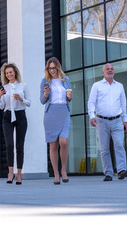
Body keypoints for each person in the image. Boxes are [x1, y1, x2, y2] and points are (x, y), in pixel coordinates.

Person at [88, 63, 127, 181]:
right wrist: (92, 116)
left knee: (119, 145)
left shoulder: (119, 86)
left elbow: (123, 104)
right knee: (104, 148)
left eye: (112, 69)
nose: (110, 70)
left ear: (114, 72)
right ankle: (108, 173)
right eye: (107, 69)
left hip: (117, 120)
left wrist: (125, 119)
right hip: (101, 120)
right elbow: (91, 102)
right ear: (103, 72)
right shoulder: (97, 86)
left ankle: (121, 170)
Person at [40, 57, 73, 185]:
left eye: (54, 67)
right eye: (50, 68)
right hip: (50, 113)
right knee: (53, 145)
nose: (52, 70)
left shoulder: (66, 79)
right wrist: (45, 94)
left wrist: (70, 97)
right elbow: (42, 101)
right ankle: (56, 174)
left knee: (63, 142)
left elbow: (69, 96)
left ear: (58, 67)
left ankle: (64, 170)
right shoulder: (45, 81)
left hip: (63, 112)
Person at [0, 63, 30, 185]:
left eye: (10, 72)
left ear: (15, 72)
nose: (9, 74)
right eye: (6, 73)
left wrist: (21, 99)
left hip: (20, 116)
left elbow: (29, 102)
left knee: (19, 146)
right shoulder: (4, 87)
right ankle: (11, 173)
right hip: (7, 116)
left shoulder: (23, 85)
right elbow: (2, 107)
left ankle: (19, 175)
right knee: (9, 145)